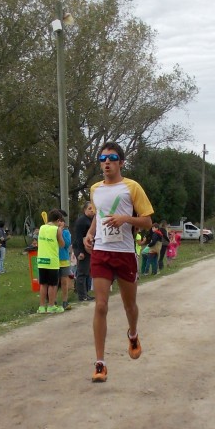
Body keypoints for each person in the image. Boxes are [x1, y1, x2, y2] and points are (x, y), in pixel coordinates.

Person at [83, 142, 154, 383]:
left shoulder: (131, 187)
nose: (106, 162)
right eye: (103, 159)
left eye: (112, 158)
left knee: (129, 305)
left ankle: (133, 333)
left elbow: (147, 222)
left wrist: (126, 218)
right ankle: (100, 363)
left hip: (124, 253)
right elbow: (99, 217)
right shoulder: (95, 189)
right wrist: (90, 233)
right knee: (100, 305)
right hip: (102, 252)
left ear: (121, 162)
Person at [36, 210, 65, 313]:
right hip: (52, 261)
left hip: (41, 259)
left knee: (43, 284)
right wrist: (60, 230)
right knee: (52, 284)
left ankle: (42, 306)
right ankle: (51, 305)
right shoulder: (56, 229)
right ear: (58, 220)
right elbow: (62, 244)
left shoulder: (42, 228)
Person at [71, 202, 95, 301]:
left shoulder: (91, 220)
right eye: (89, 208)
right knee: (82, 272)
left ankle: (85, 293)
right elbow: (78, 237)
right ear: (84, 210)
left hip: (88, 248)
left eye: (93, 208)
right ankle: (82, 295)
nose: (92, 210)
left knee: (86, 272)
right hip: (81, 248)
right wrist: (80, 252)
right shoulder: (81, 221)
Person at [57, 216, 74, 309]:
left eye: (61, 221)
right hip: (55, 259)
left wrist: (61, 233)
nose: (60, 223)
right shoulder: (52, 232)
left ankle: (65, 301)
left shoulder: (66, 232)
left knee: (64, 281)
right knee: (55, 282)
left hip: (64, 259)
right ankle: (53, 301)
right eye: (58, 221)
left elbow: (67, 244)